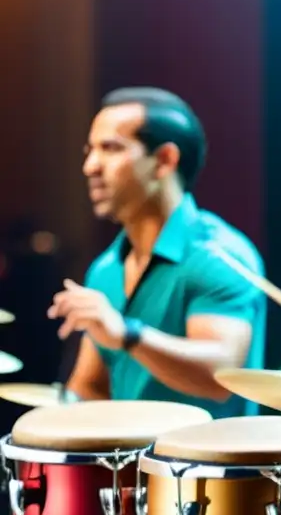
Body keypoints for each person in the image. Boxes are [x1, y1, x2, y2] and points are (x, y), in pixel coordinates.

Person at [47, 87, 265, 418]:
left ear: (164, 160)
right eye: (90, 150)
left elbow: (223, 377)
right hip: (127, 468)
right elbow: (91, 387)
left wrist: (127, 333)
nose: (90, 166)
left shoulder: (219, 256)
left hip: (205, 468)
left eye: (111, 148)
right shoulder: (105, 269)